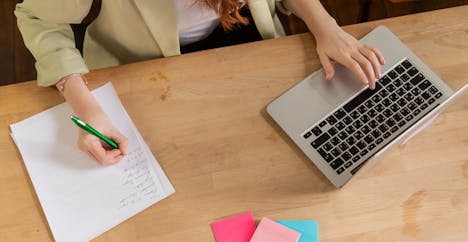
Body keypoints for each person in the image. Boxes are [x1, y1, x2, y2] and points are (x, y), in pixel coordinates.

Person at [15, 0, 384, 165]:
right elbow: (36, 17)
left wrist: (326, 27)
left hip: (251, 41)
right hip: (147, 72)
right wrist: (85, 105)